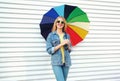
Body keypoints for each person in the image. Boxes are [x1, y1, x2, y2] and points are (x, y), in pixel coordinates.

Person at [46, 16, 72, 81]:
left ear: (64, 24)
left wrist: (68, 46)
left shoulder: (67, 35)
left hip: (66, 62)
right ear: (56, 23)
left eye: (62, 22)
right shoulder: (51, 35)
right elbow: (49, 50)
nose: (60, 23)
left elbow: (69, 51)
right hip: (56, 62)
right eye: (58, 21)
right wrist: (61, 44)